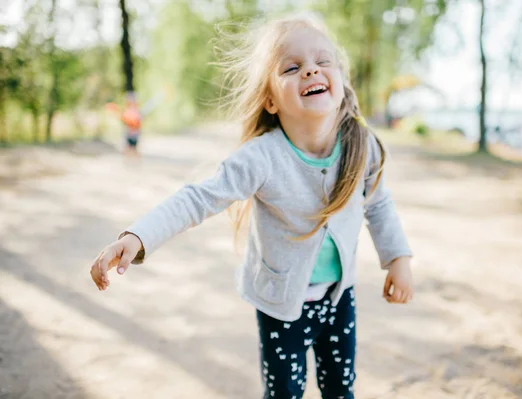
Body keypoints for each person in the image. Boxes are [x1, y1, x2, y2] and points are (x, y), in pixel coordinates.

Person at [90, 14, 413, 399]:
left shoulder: (362, 146)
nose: (311, 69)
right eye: (292, 67)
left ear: (340, 80)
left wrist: (398, 257)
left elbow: (378, 204)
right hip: (280, 303)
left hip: (339, 296)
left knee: (341, 389)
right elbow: (198, 198)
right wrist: (138, 236)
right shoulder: (261, 158)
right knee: (283, 392)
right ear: (271, 100)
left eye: (323, 61)